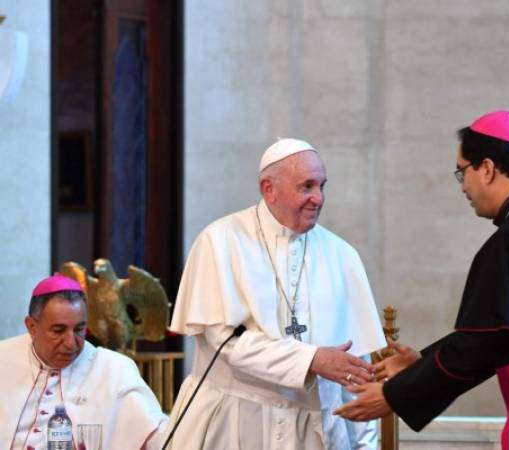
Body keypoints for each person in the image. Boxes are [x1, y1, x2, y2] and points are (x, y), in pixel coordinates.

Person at [335, 111, 509, 450]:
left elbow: (479, 348)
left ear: (487, 168)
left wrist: (393, 396)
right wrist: (422, 363)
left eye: (462, 171)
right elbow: (496, 333)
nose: (463, 186)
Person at [165, 138, 386, 449]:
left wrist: (366, 446)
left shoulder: (342, 255)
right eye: (306, 186)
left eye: (322, 186)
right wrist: (312, 360)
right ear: (269, 189)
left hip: (313, 432)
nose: (318, 198)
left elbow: (355, 369)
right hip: (232, 424)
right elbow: (223, 342)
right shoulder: (220, 241)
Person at [0, 274, 168, 449]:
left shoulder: (114, 369)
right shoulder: (3, 358)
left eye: (79, 330)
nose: (71, 343)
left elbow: (156, 434)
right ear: (32, 327)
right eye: (58, 331)